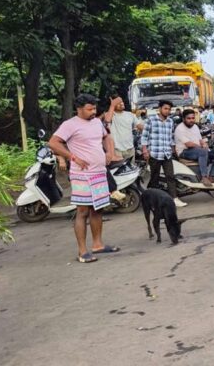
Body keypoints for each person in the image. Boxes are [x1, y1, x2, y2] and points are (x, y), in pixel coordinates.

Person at [48, 94, 120, 263]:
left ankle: (98, 245)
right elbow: (53, 143)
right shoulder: (69, 125)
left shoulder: (96, 122)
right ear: (79, 109)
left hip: (99, 172)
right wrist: (72, 157)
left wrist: (109, 152)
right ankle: (82, 251)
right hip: (82, 175)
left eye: (94, 108)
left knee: (98, 209)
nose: (93, 111)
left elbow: (106, 136)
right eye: (89, 109)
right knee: (83, 212)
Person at [142, 100, 186, 207]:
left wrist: (173, 149)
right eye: (165, 108)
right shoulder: (151, 120)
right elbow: (144, 136)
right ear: (160, 108)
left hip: (167, 153)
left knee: (170, 176)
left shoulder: (170, 121)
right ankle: (154, 201)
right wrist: (145, 150)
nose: (168, 111)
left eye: (169, 109)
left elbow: (171, 137)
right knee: (154, 178)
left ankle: (174, 198)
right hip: (155, 153)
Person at [174, 109, 214, 186]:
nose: (191, 120)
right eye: (188, 118)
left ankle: (211, 176)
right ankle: (204, 177)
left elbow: (200, 139)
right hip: (184, 151)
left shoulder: (195, 126)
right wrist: (201, 147)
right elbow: (189, 144)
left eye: (193, 118)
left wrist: (204, 144)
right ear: (183, 119)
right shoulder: (180, 128)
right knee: (202, 152)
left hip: (196, 149)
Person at [103, 93, 143, 161]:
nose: (121, 103)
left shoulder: (130, 114)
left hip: (130, 149)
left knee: (132, 170)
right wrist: (112, 106)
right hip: (116, 151)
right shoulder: (109, 115)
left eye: (121, 102)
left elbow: (140, 127)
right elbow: (107, 120)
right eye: (118, 103)